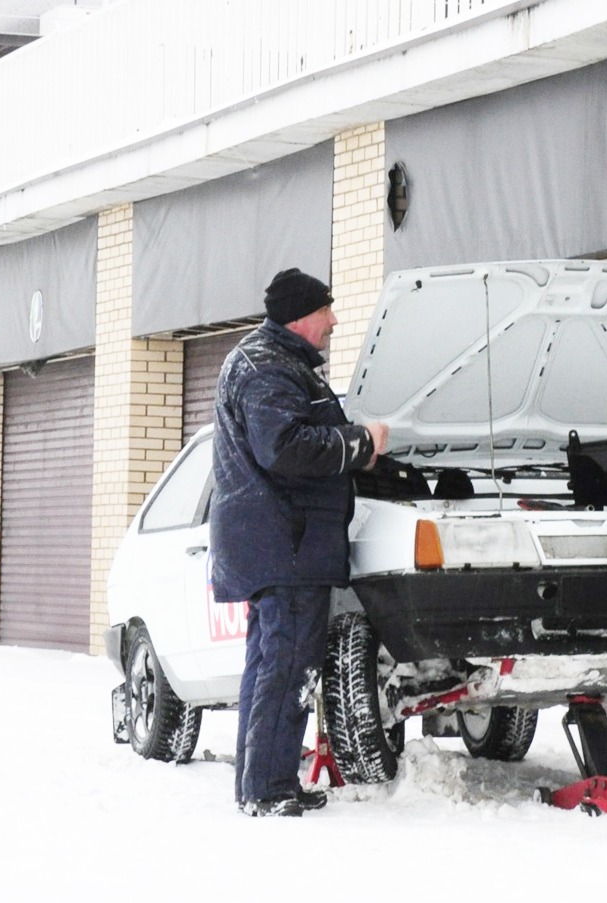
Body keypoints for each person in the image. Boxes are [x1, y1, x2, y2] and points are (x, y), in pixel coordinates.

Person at [211, 268, 389, 818]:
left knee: (272, 665)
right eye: (326, 311)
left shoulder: (269, 362)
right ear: (300, 316)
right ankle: (266, 790)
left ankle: (260, 782)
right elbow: (284, 448)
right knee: (287, 667)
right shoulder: (268, 368)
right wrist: (361, 443)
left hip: (277, 542)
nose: (333, 321)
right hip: (284, 543)